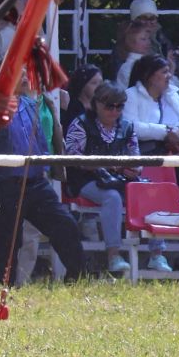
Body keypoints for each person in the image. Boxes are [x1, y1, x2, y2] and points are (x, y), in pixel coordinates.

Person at [0, 75, 84, 285]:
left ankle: (78, 279)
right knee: (6, 244)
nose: (27, 77)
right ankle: (0, 289)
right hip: (5, 184)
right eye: (21, 71)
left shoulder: (30, 104)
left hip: (36, 183)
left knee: (65, 225)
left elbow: (41, 140)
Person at [61, 84, 161, 276]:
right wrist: (112, 165)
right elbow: (73, 158)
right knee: (112, 197)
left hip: (118, 178)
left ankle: (157, 253)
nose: (114, 111)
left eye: (119, 106)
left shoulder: (127, 127)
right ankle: (113, 255)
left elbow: (136, 158)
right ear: (96, 104)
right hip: (85, 179)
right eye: (109, 106)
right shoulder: (80, 124)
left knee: (149, 191)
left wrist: (134, 169)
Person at [122, 55, 179, 155]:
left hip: (177, 151)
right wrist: (166, 132)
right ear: (150, 76)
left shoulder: (172, 94)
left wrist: (178, 131)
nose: (169, 75)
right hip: (148, 155)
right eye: (164, 72)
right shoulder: (131, 95)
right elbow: (132, 127)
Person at [104, 20, 153, 96]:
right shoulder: (128, 67)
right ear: (130, 42)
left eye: (149, 38)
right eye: (143, 39)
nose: (148, 43)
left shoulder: (149, 62)